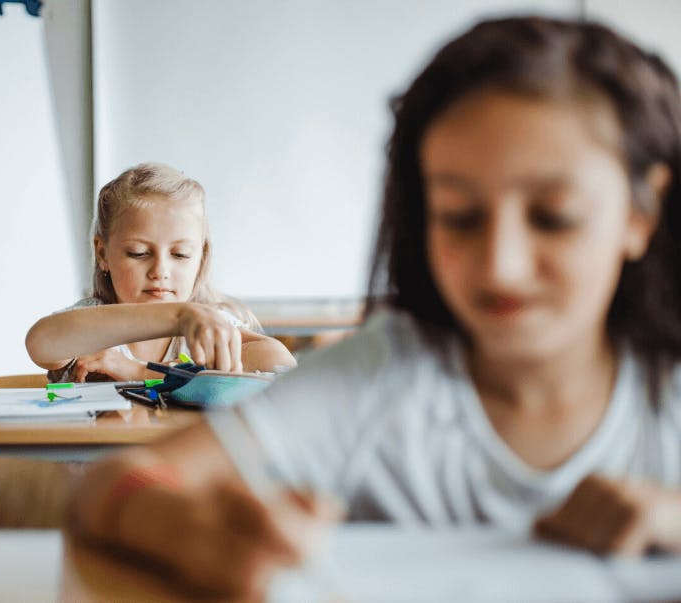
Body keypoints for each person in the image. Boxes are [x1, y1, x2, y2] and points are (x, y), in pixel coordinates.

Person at [65, 16, 681, 599]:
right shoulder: (381, 375)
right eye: (458, 217)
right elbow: (109, 487)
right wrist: (193, 531)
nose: (502, 264)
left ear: (642, 211)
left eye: (554, 218)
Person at [25, 162, 295, 382]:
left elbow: (279, 359)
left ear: (201, 258)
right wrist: (179, 315)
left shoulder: (209, 325)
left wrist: (142, 372)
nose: (160, 271)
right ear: (102, 253)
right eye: (139, 253)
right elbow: (41, 343)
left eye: (180, 255)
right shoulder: (93, 321)